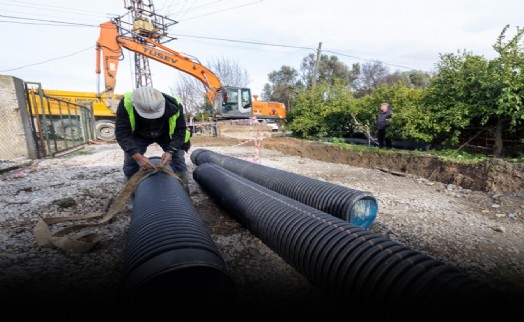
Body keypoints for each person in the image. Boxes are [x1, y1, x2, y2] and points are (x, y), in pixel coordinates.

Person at [115, 86, 191, 195]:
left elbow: (180, 130)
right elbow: (122, 132)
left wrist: (171, 151)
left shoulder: (174, 105)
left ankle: (183, 192)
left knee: (178, 158)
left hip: (165, 133)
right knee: (130, 162)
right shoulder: (126, 104)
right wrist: (136, 155)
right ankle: (131, 194)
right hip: (140, 134)